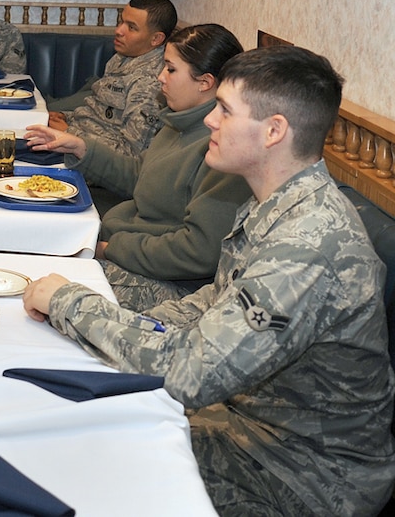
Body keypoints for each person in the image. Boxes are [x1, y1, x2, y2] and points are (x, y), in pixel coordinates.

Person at [23, 46, 395, 515]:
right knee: (67, 420)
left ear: (274, 130)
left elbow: (191, 374)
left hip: (300, 474)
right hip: (245, 424)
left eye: (225, 110)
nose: (212, 122)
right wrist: (120, 321)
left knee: (84, 464)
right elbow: (212, 302)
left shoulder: (307, 248)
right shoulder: (276, 204)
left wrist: (73, 304)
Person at [24, 24, 252, 311]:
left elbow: (198, 252)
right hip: (124, 241)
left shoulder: (221, 149)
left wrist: (112, 250)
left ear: (204, 82)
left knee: (36, 283)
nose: (160, 77)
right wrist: (81, 147)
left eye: (170, 69)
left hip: (171, 283)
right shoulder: (178, 123)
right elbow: (139, 177)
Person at [47, 0, 177, 162]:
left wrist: (70, 133)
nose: (118, 31)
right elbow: (100, 113)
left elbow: (131, 156)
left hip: (90, 160)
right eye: (121, 21)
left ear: (156, 39)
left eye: (131, 27)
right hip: (75, 139)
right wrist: (65, 117)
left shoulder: (149, 83)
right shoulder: (123, 57)